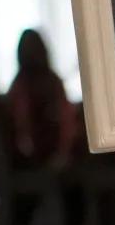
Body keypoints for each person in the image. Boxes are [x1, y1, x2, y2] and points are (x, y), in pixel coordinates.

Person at [5, 28, 81, 167]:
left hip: (30, 160)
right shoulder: (52, 83)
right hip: (50, 160)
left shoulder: (17, 86)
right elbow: (67, 124)